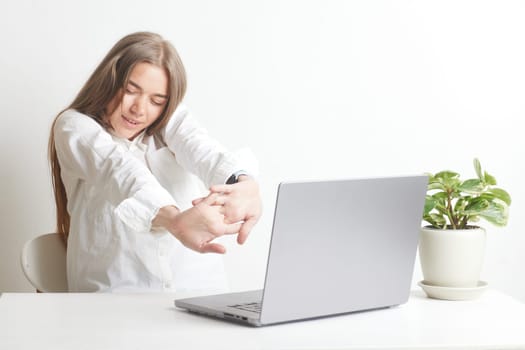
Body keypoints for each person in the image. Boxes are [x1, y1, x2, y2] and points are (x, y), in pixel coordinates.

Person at [48, 31, 262, 293]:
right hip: (113, 305)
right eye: (130, 91)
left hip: (197, 295)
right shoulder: (75, 126)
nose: (139, 109)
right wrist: (175, 220)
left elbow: (204, 150)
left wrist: (244, 184)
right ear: (108, 82)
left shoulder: (169, 121)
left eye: (157, 100)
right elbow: (121, 173)